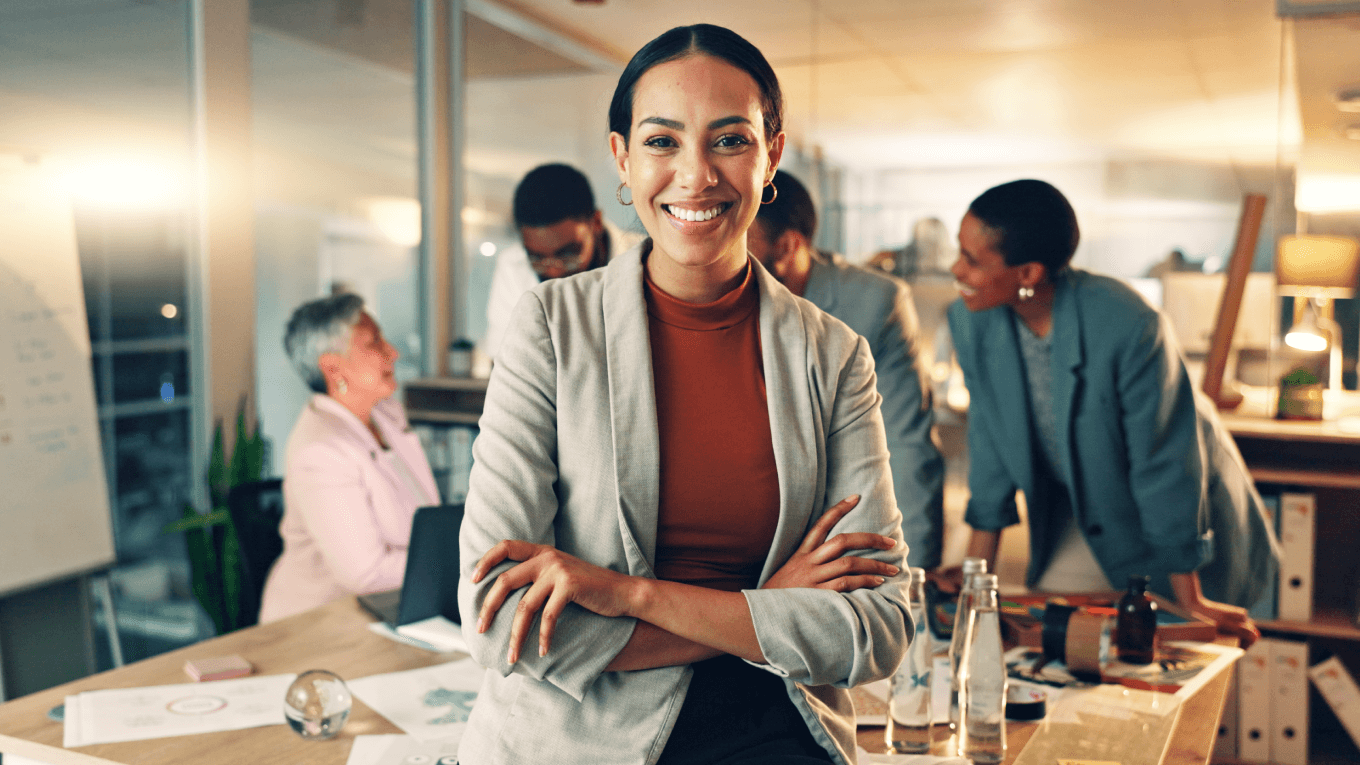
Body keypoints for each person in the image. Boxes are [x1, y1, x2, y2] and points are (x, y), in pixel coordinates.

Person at [458, 24, 911, 765]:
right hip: (577, 738)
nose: (696, 175)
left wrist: (629, 594)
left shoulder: (833, 356)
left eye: (729, 139)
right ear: (622, 160)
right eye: (663, 141)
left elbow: (878, 627)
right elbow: (498, 616)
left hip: (776, 727)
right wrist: (768, 607)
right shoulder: (549, 326)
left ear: (772, 157)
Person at [945, 179, 1279, 645]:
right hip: (1075, 505)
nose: (955, 269)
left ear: (1028, 274)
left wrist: (1191, 602)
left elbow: (1164, 465)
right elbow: (990, 442)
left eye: (972, 260)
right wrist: (973, 580)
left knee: (1169, 639)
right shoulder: (970, 319)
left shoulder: (1128, 324)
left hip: (1172, 510)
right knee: (1064, 640)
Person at [748, 169, 945, 569]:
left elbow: (907, 449)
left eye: (736, 239)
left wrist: (913, 582)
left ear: (786, 247)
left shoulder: (875, 305)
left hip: (836, 536)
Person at [258, 294, 439, 624]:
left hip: (392, 610)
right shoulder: (320, 451)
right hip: (318, 625)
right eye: (373, 343)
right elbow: (366, 574)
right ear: (333, 367)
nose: (392, 352)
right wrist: (459, 554)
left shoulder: (385, 414)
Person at [482, 163, 643, 360]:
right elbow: (501, 360)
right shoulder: (513, 266)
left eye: (568, 255)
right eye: (537, 259)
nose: (553, 272)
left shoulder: (646, 260)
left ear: (596, 222)